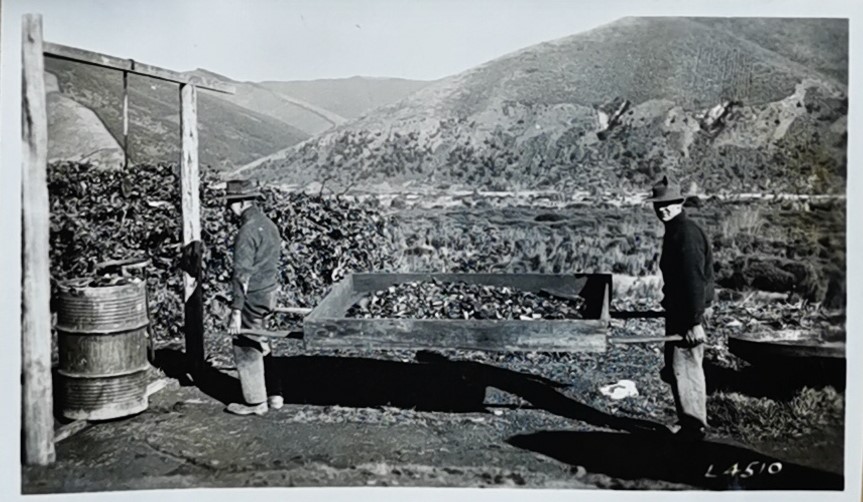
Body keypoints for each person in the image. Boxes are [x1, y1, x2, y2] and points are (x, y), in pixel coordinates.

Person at [645, 175, 714, 439]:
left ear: (679, 203)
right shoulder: (675, 230)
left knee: (686, 367)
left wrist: (694, 322)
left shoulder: (686, 234)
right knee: (678, 367)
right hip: (681, 311)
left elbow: (694, 281)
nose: (663, 208)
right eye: (658, 204)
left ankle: (694, 428)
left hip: (688, 314)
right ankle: (689, 422)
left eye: (669, 203)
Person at [224, 178, 284, 415]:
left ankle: (255, 402)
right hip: (269, 293)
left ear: (239, 203)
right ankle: (275, 394)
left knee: (245, 343)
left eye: (230, 203)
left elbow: (241, 275)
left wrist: (236, 312)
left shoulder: (246, 232)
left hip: (252, 297)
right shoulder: (268, 225)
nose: (229, 209)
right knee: (263, 343)